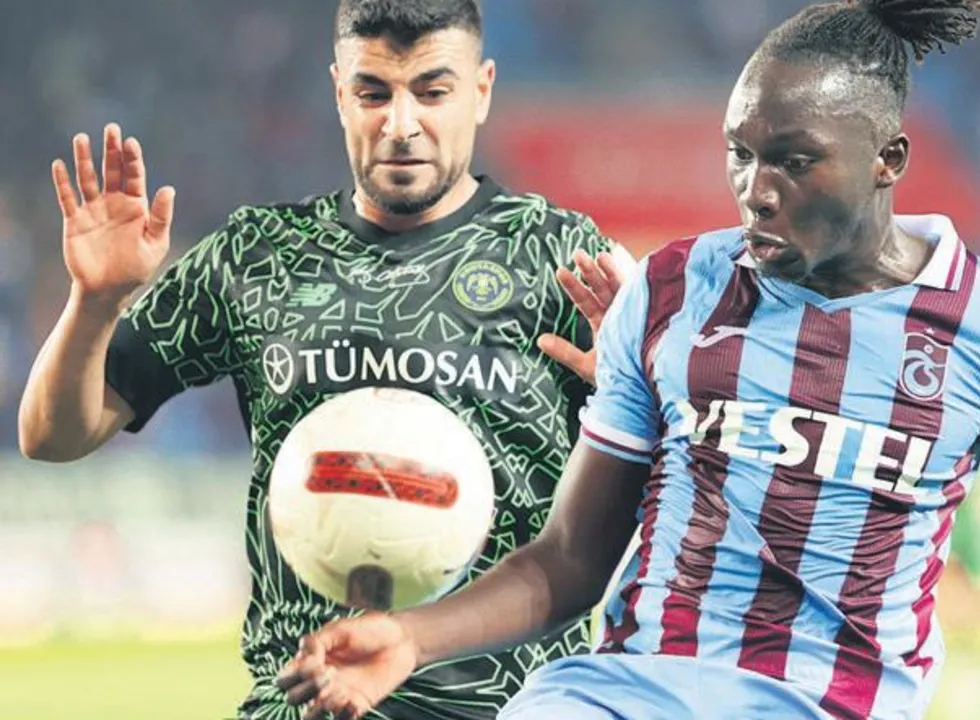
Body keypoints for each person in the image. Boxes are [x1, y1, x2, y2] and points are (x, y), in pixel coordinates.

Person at [277, 1, 980, 718]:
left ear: (888, 159)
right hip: (616, 695)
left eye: (793, 162)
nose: (755, 191)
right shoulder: (671, 291)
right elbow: (570, 558)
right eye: (740, 155)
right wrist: (414, 637)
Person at [17, 1, 631, 718]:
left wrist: (633, 392)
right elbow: (51, 436)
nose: (401, 124)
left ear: (482, 90)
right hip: (304, 703)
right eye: (374, 93)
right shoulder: (257, 255)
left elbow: (659, 502)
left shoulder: (562, 257)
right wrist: (94, 302)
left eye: (432, 92)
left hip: (511, 707)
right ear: (339, 93)